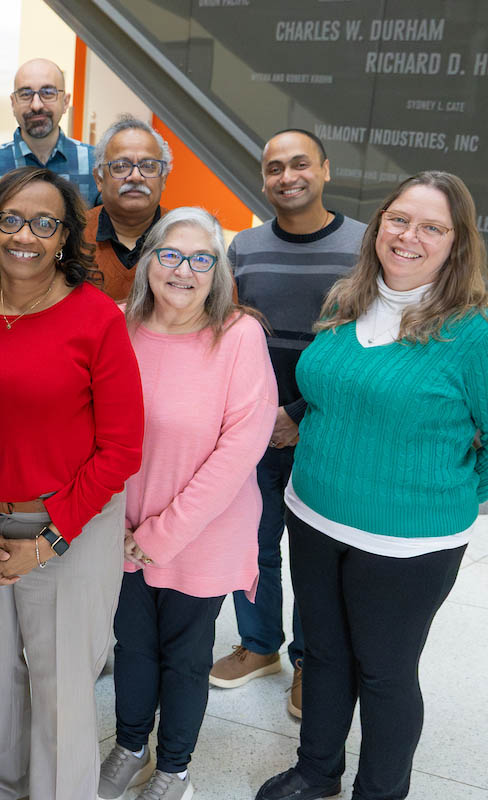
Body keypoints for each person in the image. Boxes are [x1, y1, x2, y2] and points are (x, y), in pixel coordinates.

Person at [256, 171, 488, 800]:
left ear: (457, 243)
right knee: (324, 656)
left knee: (383, 672)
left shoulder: (473, 332)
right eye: (399, 219)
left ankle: (379, 791)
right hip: (314, 512)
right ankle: (316, 772)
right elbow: (330, 392)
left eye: (432, 227)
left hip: (408, 540)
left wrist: (455, 489)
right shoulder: (346, 297)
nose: (410, 236)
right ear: (379, 224)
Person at [0, 166, 144, 800]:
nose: (25, 235)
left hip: (67, 527)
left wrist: (49, 542)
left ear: (65, 239)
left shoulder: (95, 319)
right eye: (11, 219)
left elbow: (121, 449)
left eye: (44, 223)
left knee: (61, 688)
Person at [98, 207, 276, 800]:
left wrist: (157, 535)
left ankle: (173, 770)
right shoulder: (116, 325)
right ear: (149, 261)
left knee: (184, 656)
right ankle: (128, 746)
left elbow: (240, 449)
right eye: (171, 255)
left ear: (218, 272)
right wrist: (116, 524)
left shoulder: (239, 334)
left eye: (203, 259)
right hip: (117, 530)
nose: (184, 270)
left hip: (202, 534)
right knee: (133, 648)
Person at [209, 129, 365, 718]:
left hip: (328, 427)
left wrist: (299, 413)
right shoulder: (243, 248)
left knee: (315, 554)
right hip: (251, 427)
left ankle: (310, 660)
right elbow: (226, 336)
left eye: (300, 164)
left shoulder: (365, 247)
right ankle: (258, 645)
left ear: (325, 170)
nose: (287, 176)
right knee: (253, 539)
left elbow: (367, 345)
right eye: (274, 167)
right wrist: (252, 418)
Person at [0, 58, 95, 205]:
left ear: (65, 102)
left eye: (47, 92)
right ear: (13, 103)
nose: (36, 105)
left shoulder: (94, 164)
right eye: (25, 94)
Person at [86, 115, 172, 301]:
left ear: (163, 178)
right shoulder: (71, 235)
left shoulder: (190, 236)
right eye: (121, 166)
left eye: (148, 166)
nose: (135, 176)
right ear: (99, 179)